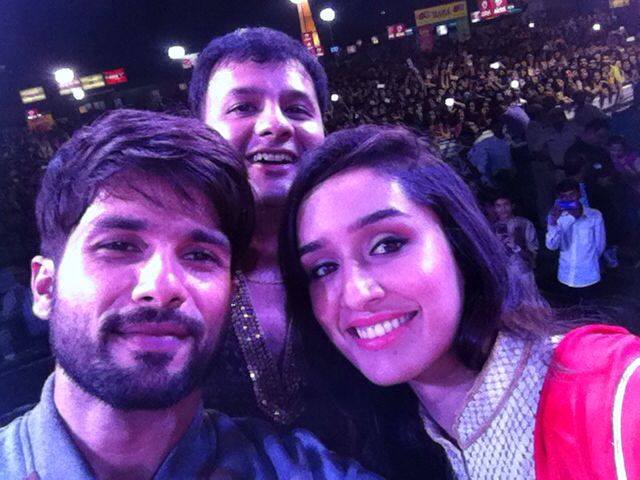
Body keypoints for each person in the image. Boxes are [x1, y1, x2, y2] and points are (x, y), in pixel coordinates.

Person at [0, 110, 381, 480]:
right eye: (119, 245)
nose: (161, 287)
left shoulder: (302, 469)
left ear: (231, 293)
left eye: (200, 256)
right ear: (45, 286)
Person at [280, 124, 640, 479]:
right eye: (324, 267)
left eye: (387, 244)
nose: (356, 293)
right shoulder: (378, 448)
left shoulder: (610, 398)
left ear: (458, 241)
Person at [188, 27, 326, 425]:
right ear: (201, 132)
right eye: (243, 107)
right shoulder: (169, 274)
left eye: (298, 110)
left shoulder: (367, 256)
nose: (275, 125)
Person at [545, 179, 606, 303]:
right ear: (559, 198)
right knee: (571, 314)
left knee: (592, 312)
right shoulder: (556, 217)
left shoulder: (595, 215)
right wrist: (553, 223)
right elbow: (551, 246)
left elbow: (600, 246)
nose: (569, 200)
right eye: (564, 197)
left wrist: (589, 261)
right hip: (566, 275)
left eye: (572, 195)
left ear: (580, 194)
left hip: (589, 275)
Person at [492, 193, 540, 301]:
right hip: (504, 274)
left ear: (512, 206)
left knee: (529, 303)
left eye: (506, 205)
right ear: (494, 208)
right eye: (498, 206)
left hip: (523, 271)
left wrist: (516, 246)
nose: (503, 209)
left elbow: (533, 253)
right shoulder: (492, 228)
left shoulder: (525, 224)